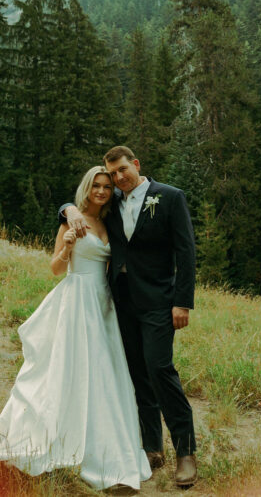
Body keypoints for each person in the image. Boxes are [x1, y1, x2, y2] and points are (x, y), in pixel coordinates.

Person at [0, 166, 151, 491]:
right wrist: (67, 246)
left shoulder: (111, 223)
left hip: (103, 305)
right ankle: (59, 439)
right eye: (96, 185)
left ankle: (108, 449)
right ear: (87, 188)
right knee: (67, 369)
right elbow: (55, 269)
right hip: (76, 300)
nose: (101, 191)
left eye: (107, 187)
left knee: (105, 374)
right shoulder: (70, 221)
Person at [60, 145, 198, 488]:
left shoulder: (170, 197)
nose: (119, 178)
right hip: (120, 303)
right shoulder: (113, 202)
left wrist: (183, 302)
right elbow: (81, 205)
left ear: (136, 164)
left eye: (123, 170)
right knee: (136, 374)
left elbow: (186, 251)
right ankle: (152, 448)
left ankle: (185, 452)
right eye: (113, 173)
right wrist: (67, 209)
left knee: (159, 368)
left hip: (159, 302)